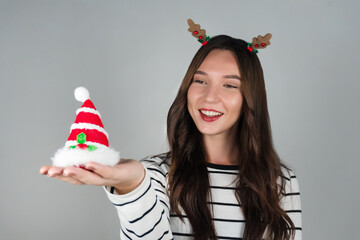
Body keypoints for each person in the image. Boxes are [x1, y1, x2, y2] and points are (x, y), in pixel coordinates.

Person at [40, 26, 302, 240]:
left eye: (230, 85)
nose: (210, 97)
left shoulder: (281, 182)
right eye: (200, 81)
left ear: (250, 99)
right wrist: (131, 185)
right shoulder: (157, 174)